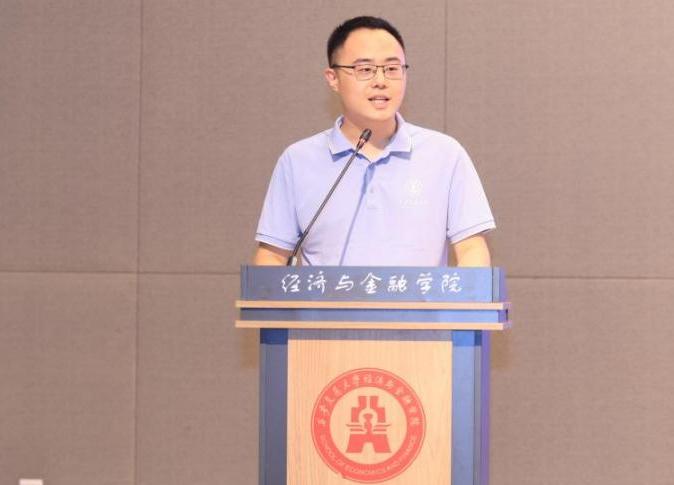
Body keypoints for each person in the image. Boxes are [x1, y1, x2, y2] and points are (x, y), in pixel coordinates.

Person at [253, 16, 495, 267]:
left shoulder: (445, 155)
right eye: (365, 70)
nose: (381, 81)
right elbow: (272, 255)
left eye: (392, 69)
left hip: (417, 296)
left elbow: (471, 249)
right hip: (330, 296)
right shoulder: (298, 161)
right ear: (333, 78)